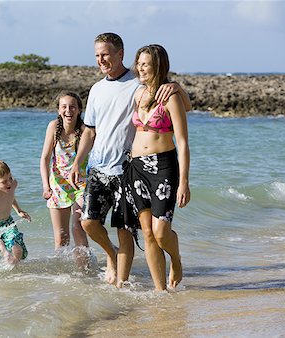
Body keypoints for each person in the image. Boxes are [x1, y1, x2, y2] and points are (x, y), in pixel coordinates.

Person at [69, 33, 191, 288]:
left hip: (144, 167)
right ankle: (136, 275)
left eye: (106, 54)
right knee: (100, 224)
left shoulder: (143, 86)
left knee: (147, 232)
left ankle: (160, 269)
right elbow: (89, 130)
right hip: (117, 168)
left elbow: (179, 111)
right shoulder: (110, 90)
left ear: (120, 54)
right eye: (97, 56)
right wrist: (77, 162)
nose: (101, 60)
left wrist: (177, 86)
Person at [114, 44, 190, 291]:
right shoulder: (138, 94)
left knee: (160, 231)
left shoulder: (171, 97)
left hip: (163, 168)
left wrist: (184, 182)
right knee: (147, 232)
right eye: (139, 63)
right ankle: (160, 291)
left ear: (158, 66)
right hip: (136, 169)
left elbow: (182, 142)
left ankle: (176, 260)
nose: (140, 68)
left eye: (145, 63)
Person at [40, 91, 89, 263]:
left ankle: (84, 270)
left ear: (79, 110)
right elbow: (45, 158)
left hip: (80, 185)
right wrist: (46, 186)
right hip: (57, 185)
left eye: (72, 107)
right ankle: (62, 278)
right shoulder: (53, 127)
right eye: (64, 107)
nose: (68, 110)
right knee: (61, 239)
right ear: (59, 110)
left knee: (78, 227)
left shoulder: (84, 130)